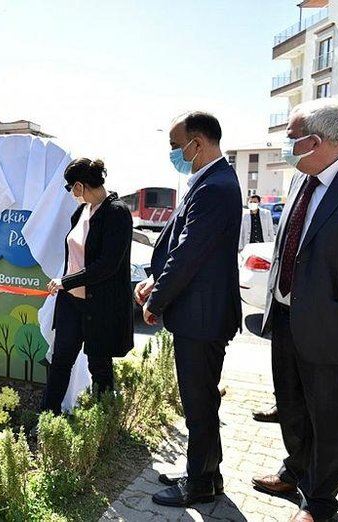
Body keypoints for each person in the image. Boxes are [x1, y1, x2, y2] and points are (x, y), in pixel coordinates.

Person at [251, 101, 338, 522]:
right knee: (292, 407)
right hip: (289, 318)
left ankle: (320, 505)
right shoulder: (301, 180)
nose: (286, 146)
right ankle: (296, 470)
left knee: (333, 425)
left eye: (291, 138)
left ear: (316, 141)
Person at [135, 111, 242, 508]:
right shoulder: (210, 181)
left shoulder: (215, 185)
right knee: (201, 401)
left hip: (202, 316)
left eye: (176, 146)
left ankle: (199, 485)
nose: (174, 154)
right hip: (202, 313)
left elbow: (189, 253)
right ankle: (206, 474)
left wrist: (157, 300)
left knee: (199, 403)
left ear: (198, 142)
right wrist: (154, 277)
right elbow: (178, 244)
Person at [41, 158, 133, 414]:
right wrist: (66, 284)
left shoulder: (116, 212)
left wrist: (65, 281)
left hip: (99, 305)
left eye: (70, 188)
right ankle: (48, 416)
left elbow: (107, 265)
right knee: (60, 361)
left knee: (99, 365)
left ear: (80, 185)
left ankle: (104, 423)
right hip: (71, 303)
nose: (70, 193)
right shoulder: (81, 211)